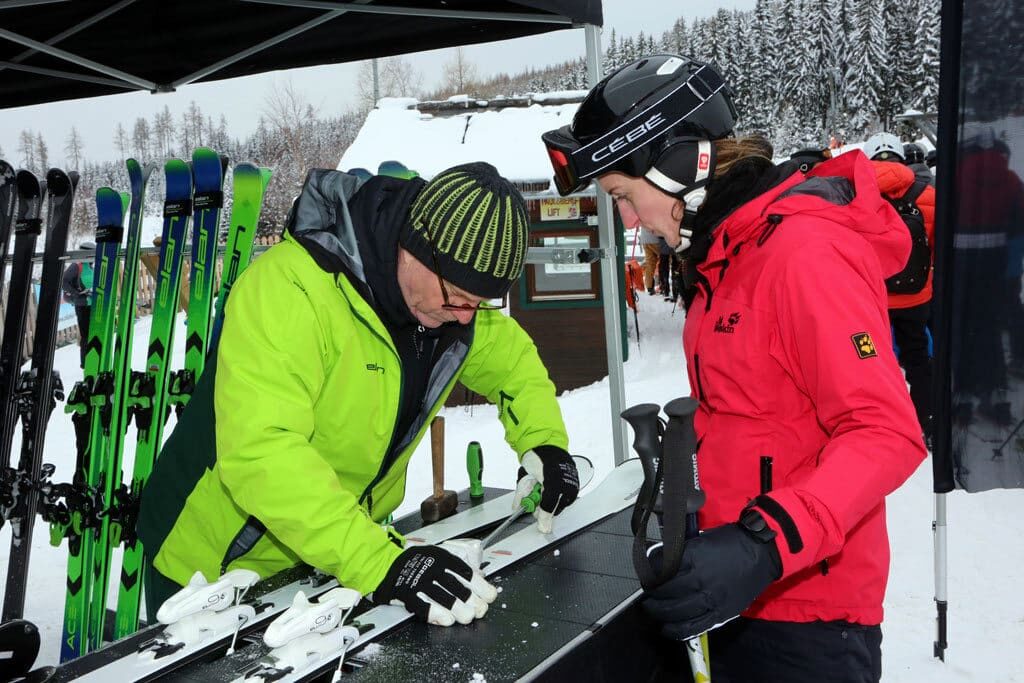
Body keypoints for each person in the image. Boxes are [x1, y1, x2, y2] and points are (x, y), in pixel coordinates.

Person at [542, 54, 926, 682]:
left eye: (623, 196)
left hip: (808, 617)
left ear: (675, 164)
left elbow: (886, 433)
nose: (629, 223)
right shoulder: (727, 255)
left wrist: (760, 542)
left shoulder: (804, 253)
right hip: (739, 595)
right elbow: (756, 415)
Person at [136, 162, 580, 628]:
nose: (467, 318)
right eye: (459, 298)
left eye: (480, 304)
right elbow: (261, 452)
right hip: (213, 566)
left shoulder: (447, 312)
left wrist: (544, 443)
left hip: (330, 555)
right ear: (415, 247)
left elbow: (514, 364)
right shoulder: (290, 289)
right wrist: (376, 559)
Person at [865, 132, 938, 442]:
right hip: (916, 296)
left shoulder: (854, 193)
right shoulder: (928, 194)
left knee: (870, 361)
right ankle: (930, 423)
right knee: (918, 357)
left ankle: (880, 426)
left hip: (869, 298)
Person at [61, 241, 94, 368]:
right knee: (86, 334)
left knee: (93, 332)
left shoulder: (90, 266)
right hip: (82, 305)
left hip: (92, 304)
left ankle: (94, 356)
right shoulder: (76, 266)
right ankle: (85, 362)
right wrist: (77, 293)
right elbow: (64, 282)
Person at [639, 226, 661, 294]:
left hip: (645, 239)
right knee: (666, 259)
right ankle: (663, 285)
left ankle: (649, 286)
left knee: (650, 263)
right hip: (656, 239)